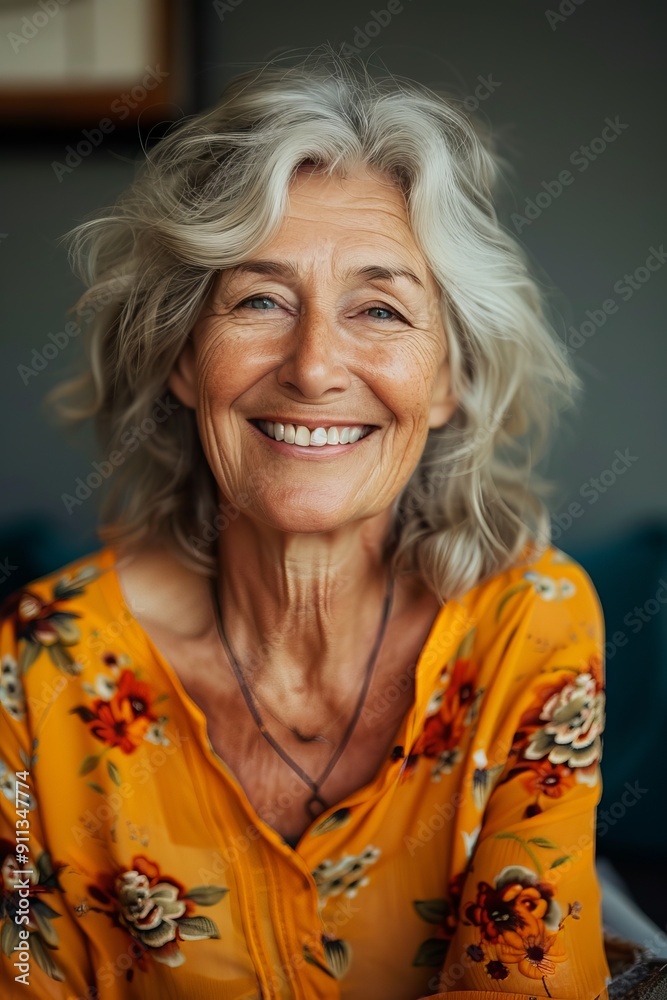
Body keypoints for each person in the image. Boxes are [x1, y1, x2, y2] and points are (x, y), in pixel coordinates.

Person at [0, 49, 609, 999]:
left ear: (448, 379)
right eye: (259, 301)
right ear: (182, 357)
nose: (315, 365)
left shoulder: (530, 623)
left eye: (379, 308)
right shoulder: (40, 664)